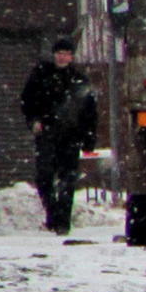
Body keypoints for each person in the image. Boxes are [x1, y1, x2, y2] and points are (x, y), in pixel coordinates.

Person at [19, 39, 93, 234]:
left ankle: (62, 222)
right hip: (47, 133)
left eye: (66, 53)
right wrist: (34, 121)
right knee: (44, 177)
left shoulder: (79, 79)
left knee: (68, 178)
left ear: (72, 56)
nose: (62, 57)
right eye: (59, 53)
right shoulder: (41, 75)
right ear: (54, 55)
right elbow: (27, 100)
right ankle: (53, 214)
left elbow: (89, 111)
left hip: (70, 135)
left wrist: (88, 138)